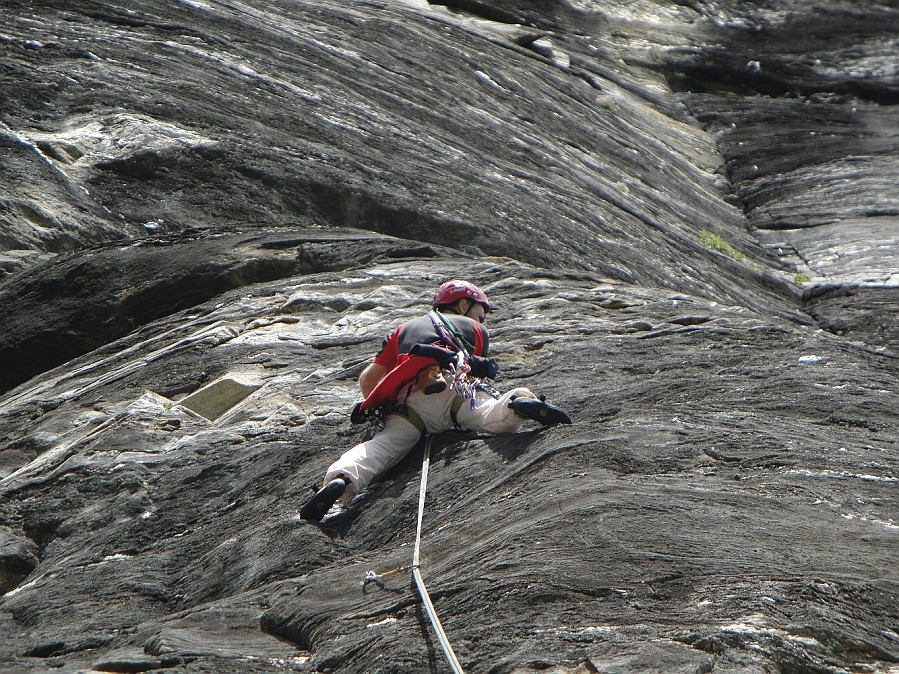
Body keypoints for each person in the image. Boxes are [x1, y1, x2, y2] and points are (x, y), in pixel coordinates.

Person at [300, 280, 571, 521]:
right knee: (490, 414)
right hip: (456, 390)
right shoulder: (474, 329)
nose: (483, 319)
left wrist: (383, 409)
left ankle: (341, 479)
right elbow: (475, 373)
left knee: (381, 447)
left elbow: (369, 381)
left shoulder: (404, 329)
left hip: (411, 403)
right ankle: (518, 403)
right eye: (481, 311)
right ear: (463, 304)